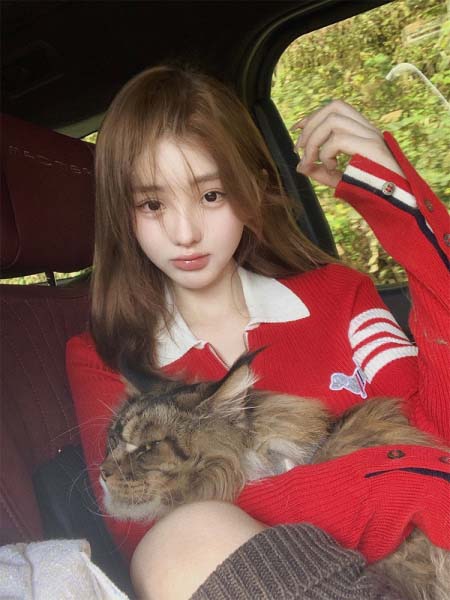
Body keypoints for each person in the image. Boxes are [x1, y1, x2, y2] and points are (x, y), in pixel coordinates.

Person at [66, 65, 450, 599]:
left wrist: (402, 210)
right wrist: (389, 482)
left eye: (211, 195)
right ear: (122, 213)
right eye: (152, 204)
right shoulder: (104, 356)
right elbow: (157, 533)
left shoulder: (339, 294)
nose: (184, 233)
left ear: (250, 189)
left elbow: (435, 433)